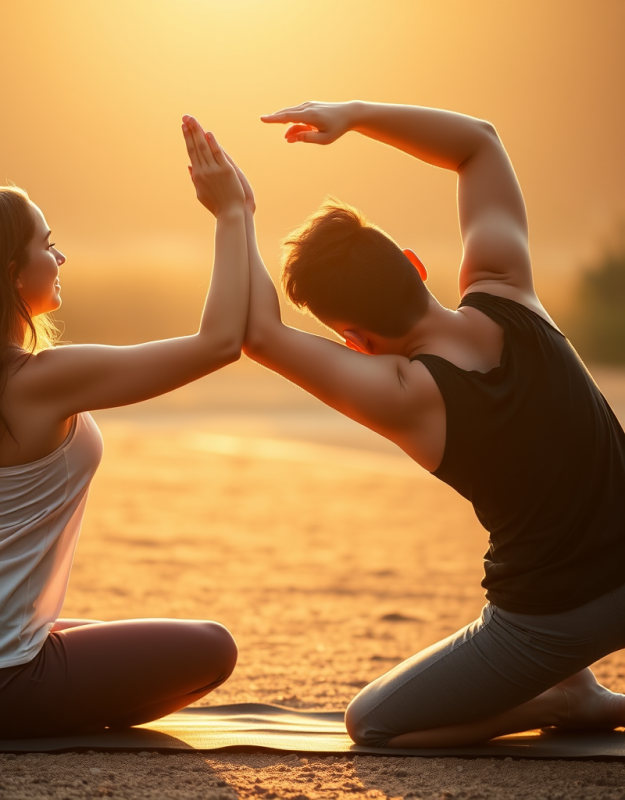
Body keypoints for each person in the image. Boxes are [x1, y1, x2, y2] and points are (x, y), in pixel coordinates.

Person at [233, 99, 625, 747]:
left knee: (374, 724)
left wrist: (235, 210)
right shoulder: (508, 288)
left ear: (355, 340)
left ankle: (562, 701)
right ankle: (575, 688)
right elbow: (478, 142)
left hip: (555, 618)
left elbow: (257, 333)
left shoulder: (410, 394)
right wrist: (352, 114)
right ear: (415, 264)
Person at [0, 116, 247, 739]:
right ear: (12, 271)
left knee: (99, 635)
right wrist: (234, 213)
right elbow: (222, 342)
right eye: (47, 243)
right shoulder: (41, 380)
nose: (60, 255)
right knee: (210, 647)